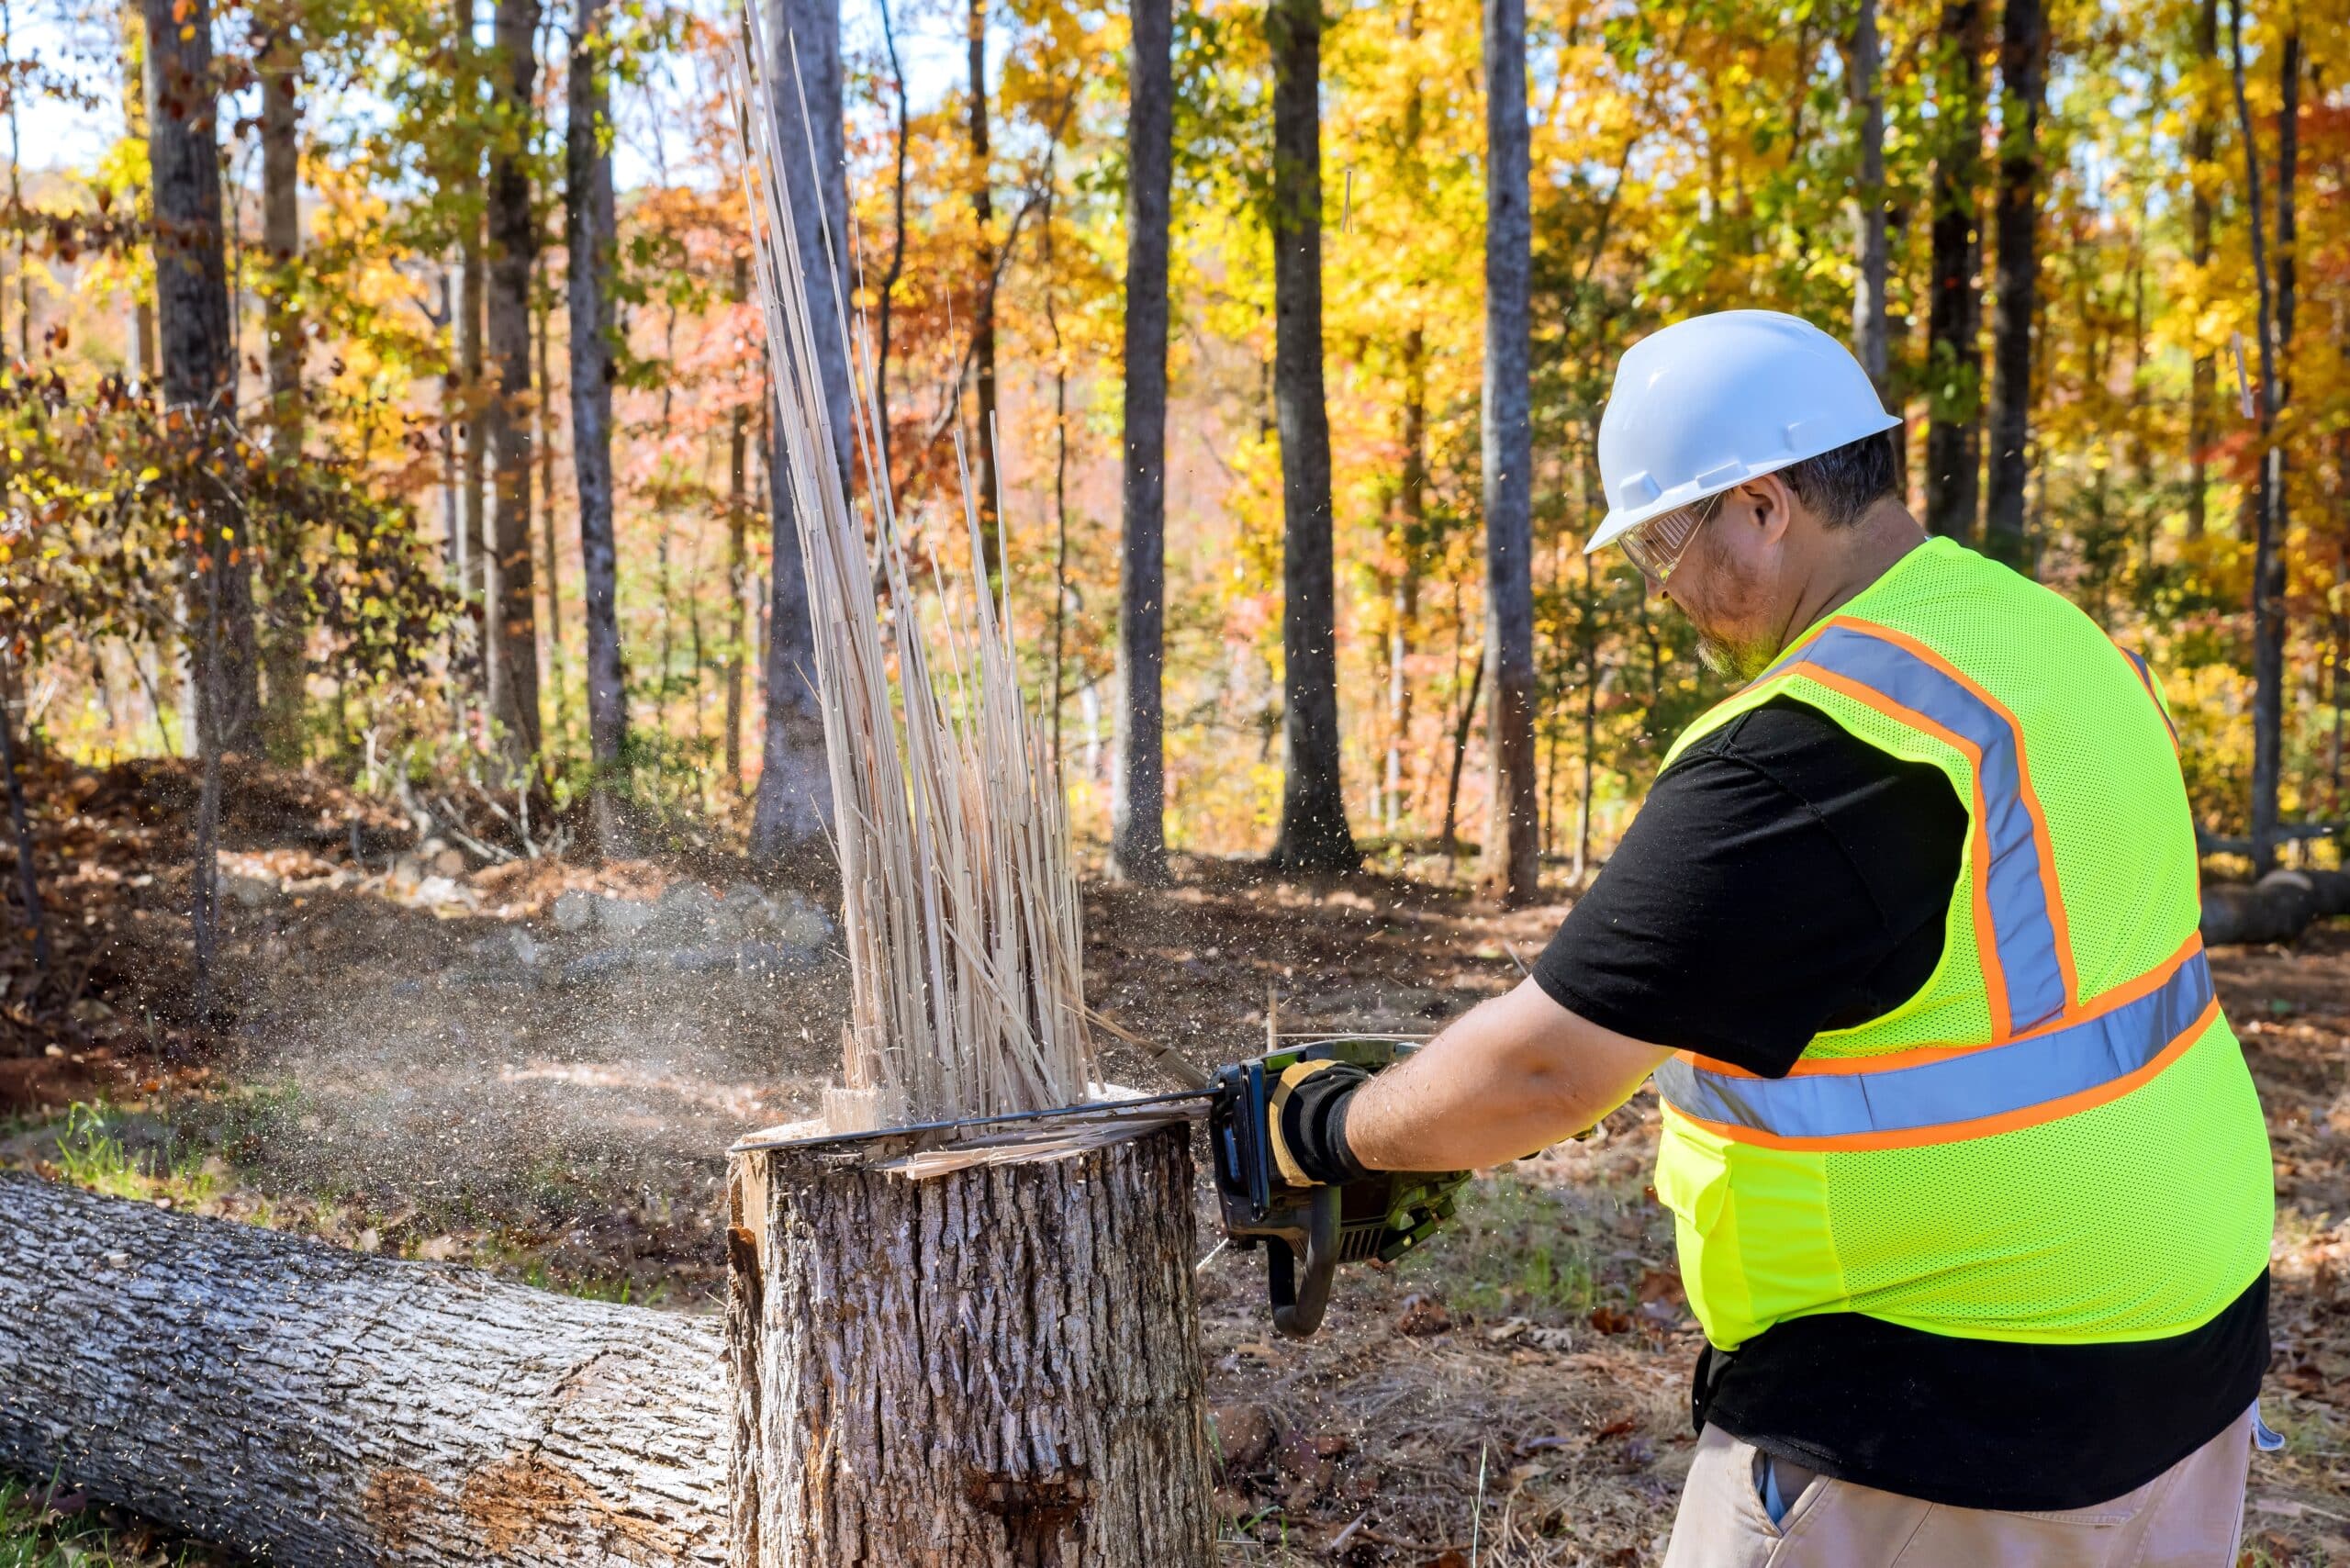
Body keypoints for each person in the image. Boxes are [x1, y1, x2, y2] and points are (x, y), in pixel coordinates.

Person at [1263, 310, 2277, 1566]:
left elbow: (1547, 1071)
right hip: (2190, 1344)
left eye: (1664, 543)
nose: (1666, 589)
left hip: (1952, 1417)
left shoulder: (1818, 751)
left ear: (1762, 504)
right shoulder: (2040, 635)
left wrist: (1324, 1132)